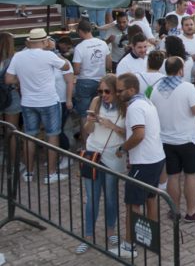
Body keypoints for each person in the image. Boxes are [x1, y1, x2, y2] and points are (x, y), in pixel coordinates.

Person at [5, 29, 71, 184]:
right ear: (44, 41)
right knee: (52, 135)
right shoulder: (49, 55)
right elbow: (67, 66)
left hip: (28, 102)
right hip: (48, 101)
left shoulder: (18, 56)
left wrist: (22, 80)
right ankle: (51, 173)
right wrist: (54, 50)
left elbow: (8, 79)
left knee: (30, 136)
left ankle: (29, 172)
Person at [115, 73, 165, 258]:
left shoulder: (135, 107)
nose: (118, 94)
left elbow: (138, 134)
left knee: (132, 204)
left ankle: (129, 245)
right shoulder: (146, 102)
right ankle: (150, 238)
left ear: (131, 90)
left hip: (143, 162)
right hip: (155, 158)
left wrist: (123, 147)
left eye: (120, 91)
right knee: (151, 198)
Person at [76, 75, 126, 255]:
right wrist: (90, 121)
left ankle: (110, 231)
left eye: (107, 91)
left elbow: (128, 133)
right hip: (93, 154)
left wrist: (112, 125)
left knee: (111, 197)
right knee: (92, 198)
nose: (103, 94)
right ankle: (88, 236)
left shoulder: (124, 106)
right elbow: (88, 131)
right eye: (101, 91)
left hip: (113, 156)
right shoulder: (96, 102)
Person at [150, 57, 195, 223]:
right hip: (187, 139)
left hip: (166, 140)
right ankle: (191, 211)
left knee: (173, 176)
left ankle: (174, 211)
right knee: (190, 176)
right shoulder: (187, 87)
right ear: (181, 70)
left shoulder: (155, 88)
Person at [73, 19, 112, 130]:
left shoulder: (80, 47)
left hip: (84, 81)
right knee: (100, 111)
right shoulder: (103, 43)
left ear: (80, 31)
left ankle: (85, 143)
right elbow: (109, 64)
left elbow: (76, 70)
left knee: (84, 114)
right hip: (101, 81)